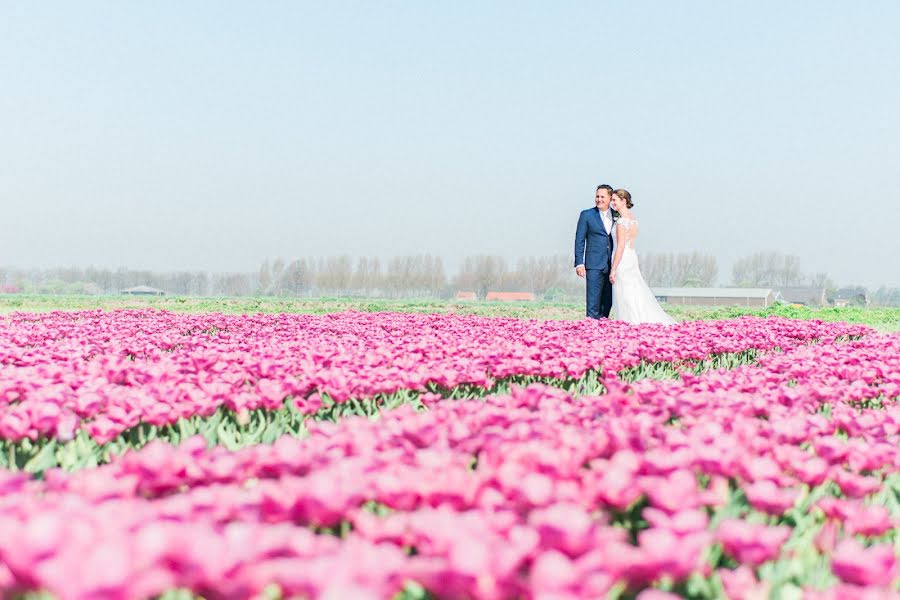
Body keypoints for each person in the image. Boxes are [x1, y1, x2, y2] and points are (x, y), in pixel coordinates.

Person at [608, 189, 676, 325]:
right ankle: (638, 318)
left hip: (622, 259)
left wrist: (613, 269)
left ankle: (630, 320)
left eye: (614, 200)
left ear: (623, 201)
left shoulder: (621, 222)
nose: (612, 203)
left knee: (624, 292)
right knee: (634, 288)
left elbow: (620, 247)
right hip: (631, 257)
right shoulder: (633, 219)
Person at [574, 185, 615, 319]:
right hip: (593, 265)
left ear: (610, 198)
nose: (599, 199)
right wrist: (579, 263)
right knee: (593, 303)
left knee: (608, 302)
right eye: (597, 196)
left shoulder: (617, 215)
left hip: (612, 265)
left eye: (602, 197)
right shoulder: (587, 215)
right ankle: (591, 331)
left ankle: (604, 330)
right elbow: (579, 240)